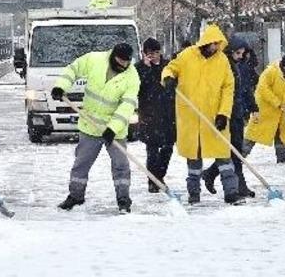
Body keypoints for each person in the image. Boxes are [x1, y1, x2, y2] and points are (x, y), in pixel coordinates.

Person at [53, 43, 141, 213]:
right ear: (113, 56)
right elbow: (73, 69)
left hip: (114, 130)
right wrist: (61, 86)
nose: (124, 65)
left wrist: (112, 129)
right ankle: (75, 196)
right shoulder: (95, 59)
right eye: (121, 61)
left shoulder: (132, 77)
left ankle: (123, 199)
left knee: (121, 165)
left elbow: (127, 106)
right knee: (81, 164)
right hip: (90, 125)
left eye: (127, 62)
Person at [161, 24, 244, 205]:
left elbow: (228, 88)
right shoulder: (187, 56)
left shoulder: (222, 61)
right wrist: (168, 78)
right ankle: (194, 194)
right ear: (205, 42)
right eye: (213, 43)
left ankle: (231, 192)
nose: (215, 47)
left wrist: (224, 114)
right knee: (194, 158)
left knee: (224, 157)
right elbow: (170, 68)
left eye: (218, 44)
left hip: (215, 118)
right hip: (191, 117)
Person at [202, 36, 257, 198]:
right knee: (232, 151)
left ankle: (211, 174)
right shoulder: (222, 65)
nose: (241, 56)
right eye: (238, 53)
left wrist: (253, 107)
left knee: (234, 151)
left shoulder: (240, 66)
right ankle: (238, 186)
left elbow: (245, 88)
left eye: (243, 53)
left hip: (238, 113)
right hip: (226, 114)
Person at [134, 38, 176, 193]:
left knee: (167, 149)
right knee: (152, 150)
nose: (154, 56)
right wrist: (146, 69)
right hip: (149, 115)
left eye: (157, 52)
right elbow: (138, 88)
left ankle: (160, 176)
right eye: (151, 53)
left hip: (168, 114)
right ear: (144, 54)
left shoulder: (168, 66)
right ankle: (153, 181)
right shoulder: (138, 68)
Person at [243, 55, 285, 164]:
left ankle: (282, 156)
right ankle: (241, 155)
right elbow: (263, 89)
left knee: (282, 133)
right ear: (284, 67)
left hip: (280, 112)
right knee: (253, 133)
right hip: (265, 111)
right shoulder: (271, 72)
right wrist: (277, 103)